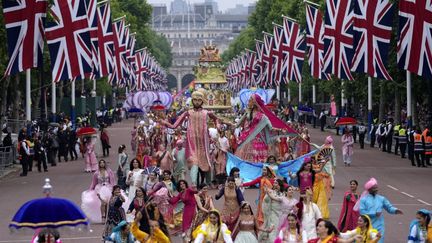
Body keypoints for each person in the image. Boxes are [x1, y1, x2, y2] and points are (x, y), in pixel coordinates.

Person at [160, 90, 221, 186]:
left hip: (203, 143)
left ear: (202, 101)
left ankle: (209, 182)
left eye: (199, 100)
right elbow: (174, 126)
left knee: (206, 163)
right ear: (192, 100)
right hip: (191, 143)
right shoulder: (188, 112)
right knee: (194, 163)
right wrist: (166, 123)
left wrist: (217, 125)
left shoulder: (207, 112)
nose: (197, 102)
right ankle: (193, 184)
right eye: (195, 100)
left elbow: (216, 118)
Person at [235, 94, 295, 163]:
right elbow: (237, 124)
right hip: (247, 138)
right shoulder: (248, 112)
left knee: (257, 159)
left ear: (255, 102)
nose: (248, 101)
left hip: (258, 140)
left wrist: (280, 130)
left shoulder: (262, 116)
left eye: (250, 99)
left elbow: (271, 128)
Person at [358, 178, 403, 243]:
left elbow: (389, 207)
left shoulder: (381, 198)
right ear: (369, 189)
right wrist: (374, 213)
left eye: (376, 187)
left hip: (379, 225)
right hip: (367, 224)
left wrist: (395, 210)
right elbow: (362, 212)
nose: (376, 189)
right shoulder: (363, 200)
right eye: (374, 188)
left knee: (379, 240)